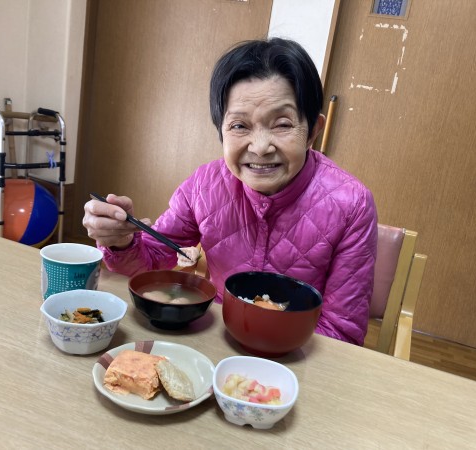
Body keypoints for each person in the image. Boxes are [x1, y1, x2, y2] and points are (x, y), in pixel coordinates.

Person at [82, 37, 378, 346]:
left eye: (282, 124)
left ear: (313, 131)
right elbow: (151, 261)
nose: (260, 147)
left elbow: (342, 333)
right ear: (221, 131)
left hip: (297, 355)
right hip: (219, 342)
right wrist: (120, 242)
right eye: (239, 126)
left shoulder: (352, 204)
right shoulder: (204, 186)